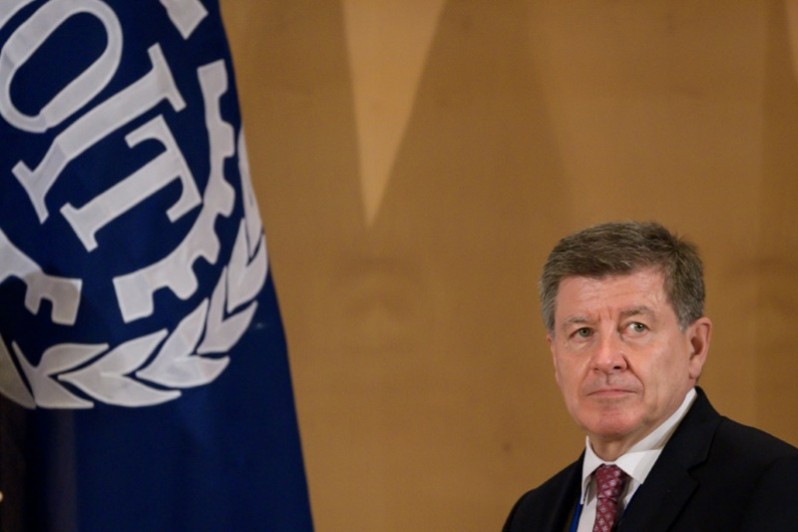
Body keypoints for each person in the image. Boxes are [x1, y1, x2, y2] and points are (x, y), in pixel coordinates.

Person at [503, 221, 798, 531]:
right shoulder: (531, 515)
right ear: (555, 356)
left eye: (636, 327)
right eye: (583, 332)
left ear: (695, 346)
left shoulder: (777, 485)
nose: (605, 359)